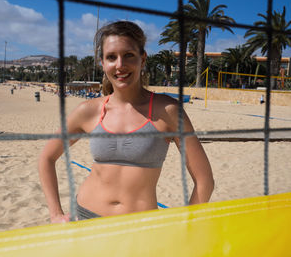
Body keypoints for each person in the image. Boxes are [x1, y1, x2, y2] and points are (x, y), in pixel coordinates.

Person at [38, 21, 214, 223]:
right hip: (85, 217)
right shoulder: (89, 111)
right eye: (111, 57)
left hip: (138, 227)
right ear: (102, 63)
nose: (120, 64)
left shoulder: (168, 111)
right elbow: (46, 158)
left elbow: (204, 180)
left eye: (129, 55)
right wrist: (55, 214)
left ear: (143, 58)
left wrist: (187, 224)